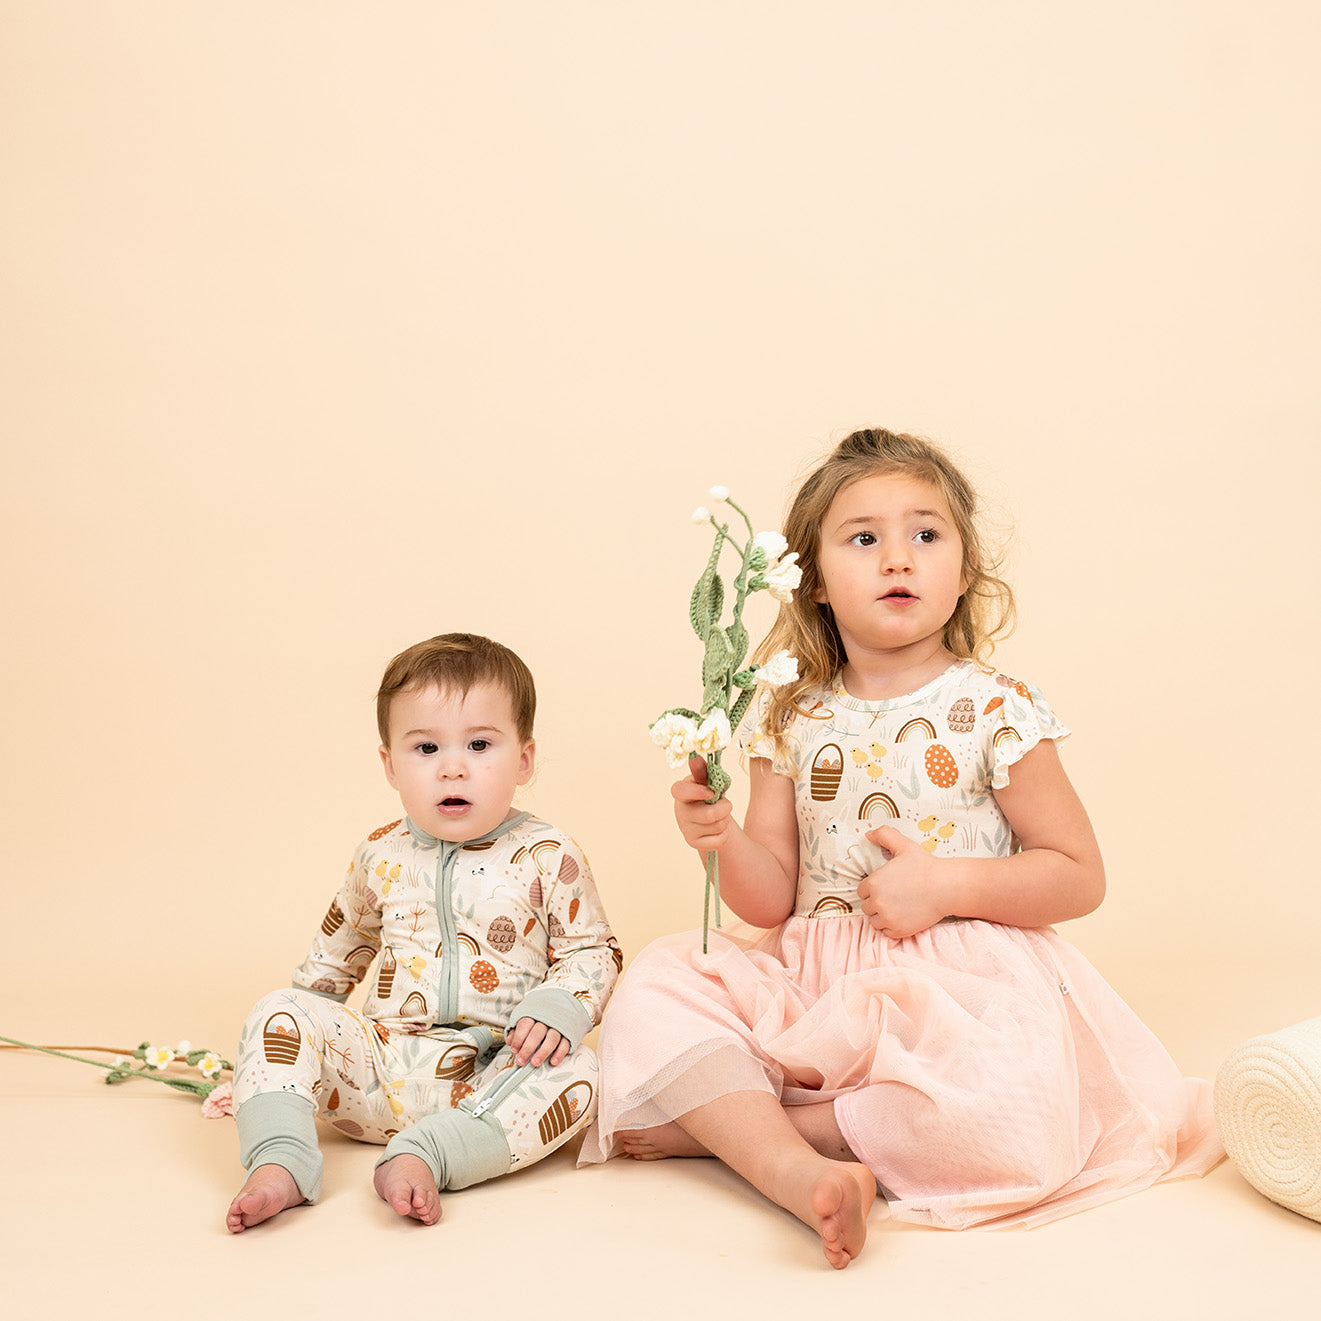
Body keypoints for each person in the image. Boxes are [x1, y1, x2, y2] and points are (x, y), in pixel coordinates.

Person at [580, 429, 1221, 1269]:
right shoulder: (789, 716)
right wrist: (720, 838)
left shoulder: (995, 707)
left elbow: (1076, 874)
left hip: (960, 997)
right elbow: (768, 899)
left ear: (964, 570)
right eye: (863, 538)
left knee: (1022, 1110)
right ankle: (795, 1168)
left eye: (925, 534)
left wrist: (944, 885)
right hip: (813, 985)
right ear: (812, 581)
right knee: (655, 987)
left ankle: (754, 1128)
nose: (897, 559)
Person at [227, 633, 620, 1232]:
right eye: (427, 747)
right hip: (378, 1072)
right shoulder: (379, 853)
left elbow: (592, 949)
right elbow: (333, 961)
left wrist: (560, 1003)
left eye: (480, 744)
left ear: (524, 759)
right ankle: (281, 1157)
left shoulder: (548, 854)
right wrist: (276, 1070)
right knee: (279, 1009)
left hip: (492, 1073)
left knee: (580, 1075)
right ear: (389, 764)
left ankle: (426, 1154)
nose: (453, 766)